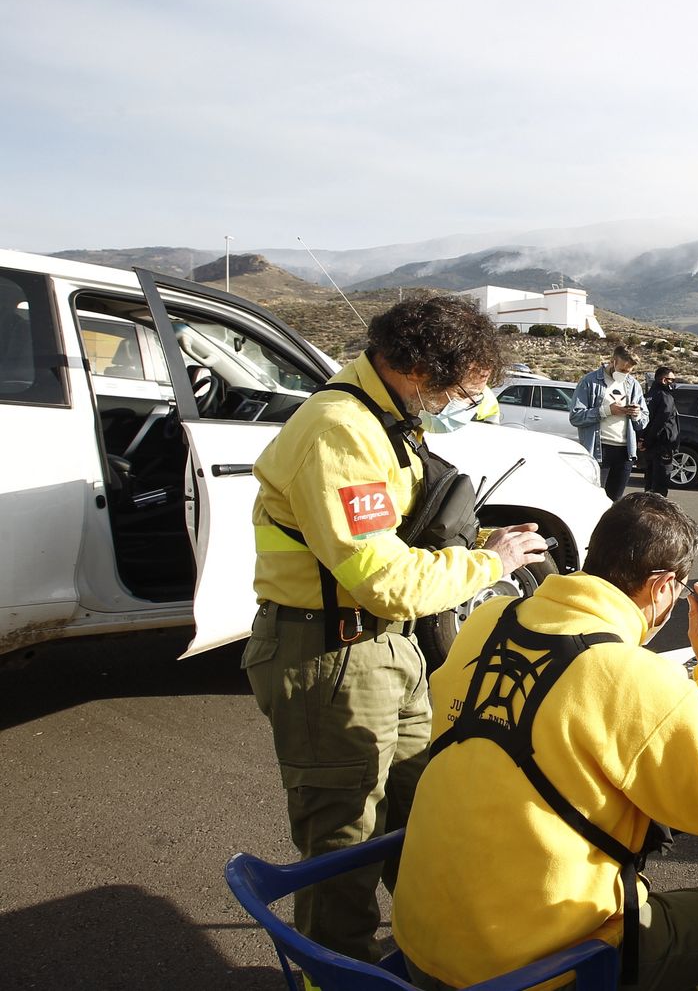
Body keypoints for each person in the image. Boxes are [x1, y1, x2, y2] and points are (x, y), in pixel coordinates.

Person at [244, 295, 549, 962]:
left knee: (418, 814)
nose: (458, 405)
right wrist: (485, 564)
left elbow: (397, 538)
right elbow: (383, 578)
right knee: (343, 842)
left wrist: (484, 542)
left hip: (386, 648)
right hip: (332, 656)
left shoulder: (386, 418)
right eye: (459, 390)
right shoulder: (339, 431)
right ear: (416, 367)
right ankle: (336, 974)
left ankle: (425, 954)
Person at [394, 493, 698, 991]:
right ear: (662, 586)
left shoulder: (491, 621)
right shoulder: (627, 673)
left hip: (422, 946)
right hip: (529, 970)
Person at [571, 345, 648, 502]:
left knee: (614, 501)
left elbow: (644, 420)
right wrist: (607, 410)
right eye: (622, 370)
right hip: (599, 450)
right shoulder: (589, 381)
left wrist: (637, 414)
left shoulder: (633, 385)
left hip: (625, 452)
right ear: (613, 361)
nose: (625, 374)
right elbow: (576, 417)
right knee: (593, 499)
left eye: (629, 371)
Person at [640, 364, 680, 496]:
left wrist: (643, 440)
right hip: (662, 444)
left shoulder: (648, 396)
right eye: (671, 380)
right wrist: (648, 441)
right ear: (663, 380)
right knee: (660, 485)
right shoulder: (665, 396)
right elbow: (660, 421)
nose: (673, 383)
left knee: (649, 481)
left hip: (649, 445)